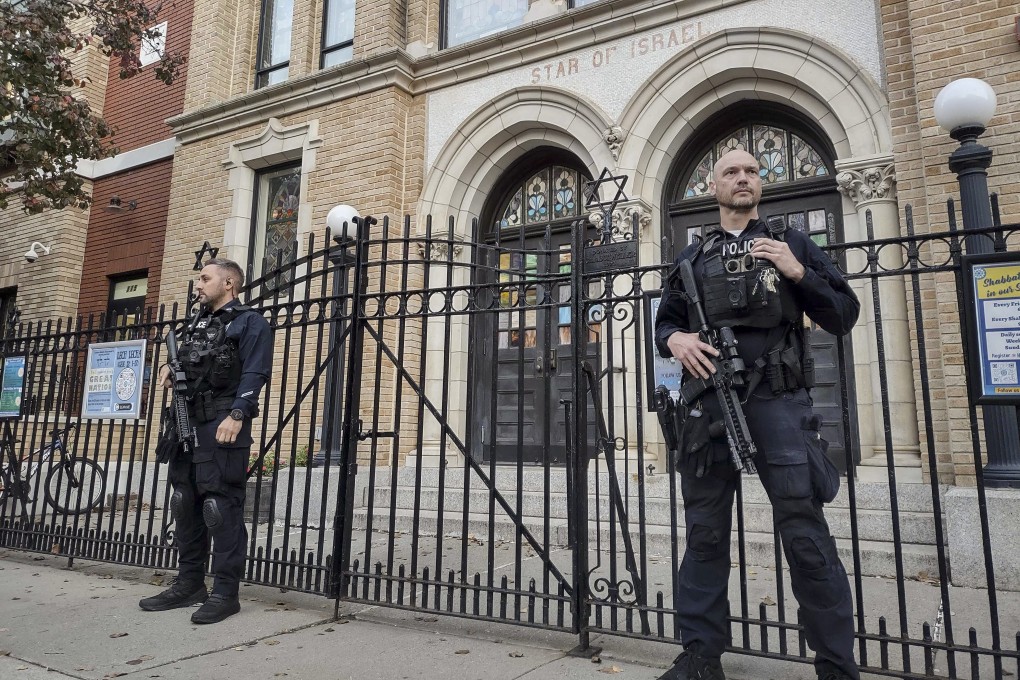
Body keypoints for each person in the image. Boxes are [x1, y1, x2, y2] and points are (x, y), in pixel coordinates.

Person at [654, 150, 861, 680]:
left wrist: (798, 273)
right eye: (731, 172)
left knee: (804, 531)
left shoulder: (791, 243)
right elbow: (665, 326)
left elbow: (842, 315)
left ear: (760, 184)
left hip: (778, 404)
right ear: (713, 184)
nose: (742, 178)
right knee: (704, 534)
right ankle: (700, 656)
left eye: (750, 171)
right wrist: (675, 338)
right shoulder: (690, 259)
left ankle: (836, 665)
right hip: (708, 406)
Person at [139, 257, 272, 624]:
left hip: (223, 420)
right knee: (184, 501)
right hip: (186, 420)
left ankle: (226, 593)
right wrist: (168, 368)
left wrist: (238, 414)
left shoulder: (250, 322)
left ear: (229, 283)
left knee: (219, 506)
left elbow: (256, 371)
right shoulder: (197, 324)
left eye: (204, 278)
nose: (198, 285)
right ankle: (190, 584)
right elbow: (187, 365)